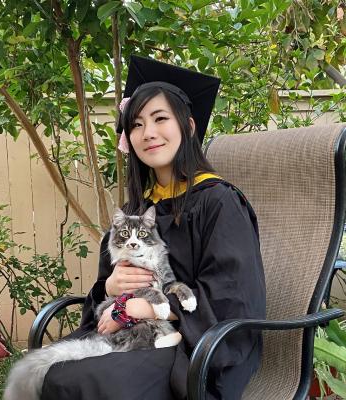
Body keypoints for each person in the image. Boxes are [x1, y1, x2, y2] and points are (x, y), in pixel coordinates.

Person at [41, 55, 266, 400]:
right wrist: (111, 287)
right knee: (52, 371)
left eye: (160, 118)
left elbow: (233, 298)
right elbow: (104, 297)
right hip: (130, 335)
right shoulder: (137, 212)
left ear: (188, 127)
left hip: (190, 347)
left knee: (88, 381)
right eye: (136, 125)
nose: (148, 133)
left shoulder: (218, 202)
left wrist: (151, 308)